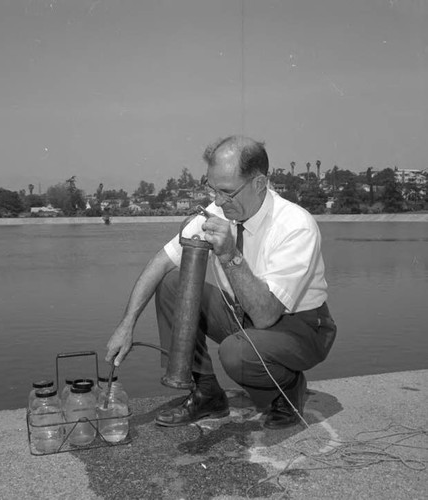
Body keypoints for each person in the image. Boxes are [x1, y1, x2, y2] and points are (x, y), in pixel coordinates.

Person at [105, 135, 337, 429]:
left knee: (236, 353)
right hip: (244, 313)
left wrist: (229, 254)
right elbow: (161, 262)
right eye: (212, 189)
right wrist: (127, 325)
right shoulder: (220, 211)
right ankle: (206, 394)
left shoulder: (295, 225)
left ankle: (287, 387)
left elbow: (266, 315)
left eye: (226, 192)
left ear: (259, 184)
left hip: (299, 325)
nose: (216, 201)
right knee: (171, 284)